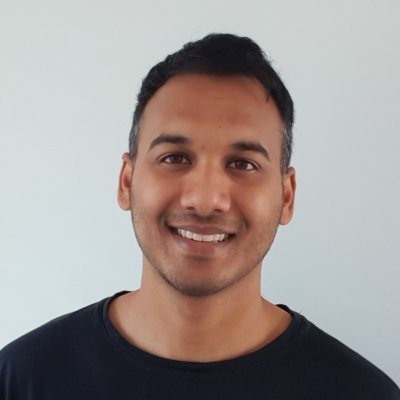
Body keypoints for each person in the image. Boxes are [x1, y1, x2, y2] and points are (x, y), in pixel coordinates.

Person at [0, 33, 399, 399]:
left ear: (287, 196)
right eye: (174, 158)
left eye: (243, 164)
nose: (205, 201)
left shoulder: (364, 394)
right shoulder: (21, 379)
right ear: (127, 181)